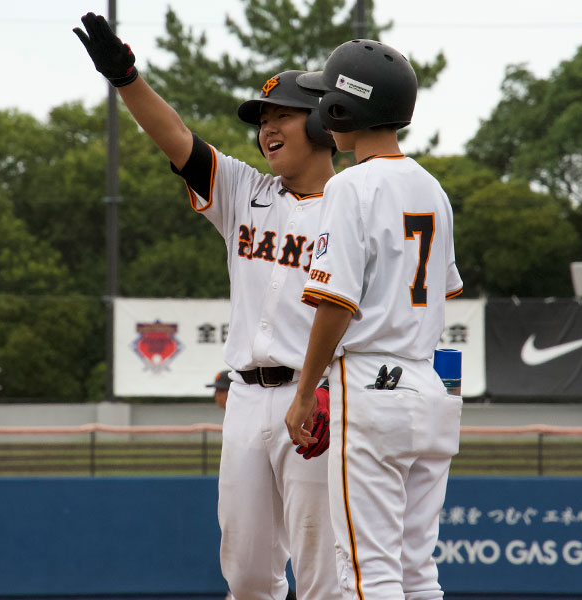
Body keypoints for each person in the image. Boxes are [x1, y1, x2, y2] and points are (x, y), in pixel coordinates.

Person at [73, 13, 339, 600]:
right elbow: (175, 138)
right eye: (263, 120)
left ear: (323, 123)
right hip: (246, 398)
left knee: (325, 574)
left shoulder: (354, 204)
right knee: (246, 574)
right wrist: (127, 80)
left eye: (283, 116)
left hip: (318, 395)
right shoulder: (245, 191)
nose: (267, 128)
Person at [284, 39, 464, 599]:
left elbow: (337, 302)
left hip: (371, 386)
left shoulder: (350, 185)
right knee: (419, 572)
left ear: (343, 111)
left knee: (369, 572)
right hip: (430, 387)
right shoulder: (433, 190)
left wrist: (305, 388)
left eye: (327, 100)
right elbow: (445, 289)